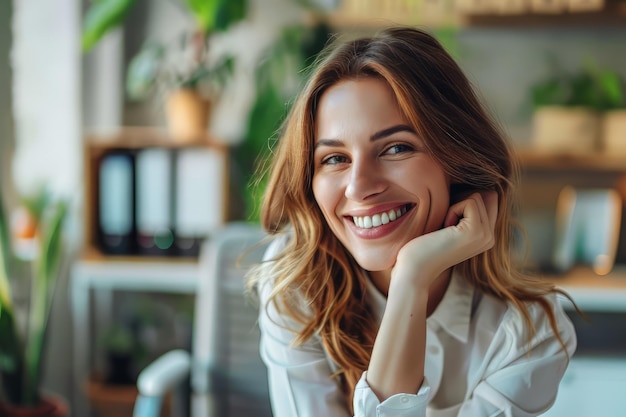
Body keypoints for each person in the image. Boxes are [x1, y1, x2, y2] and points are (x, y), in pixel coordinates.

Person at [247, 26, 577, 417]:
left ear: (456, 159)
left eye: (397, 148)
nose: (359, 187)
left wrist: (411, 279)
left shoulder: (527, 335)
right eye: (334, 158)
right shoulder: (296, 283)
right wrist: (413, 281)